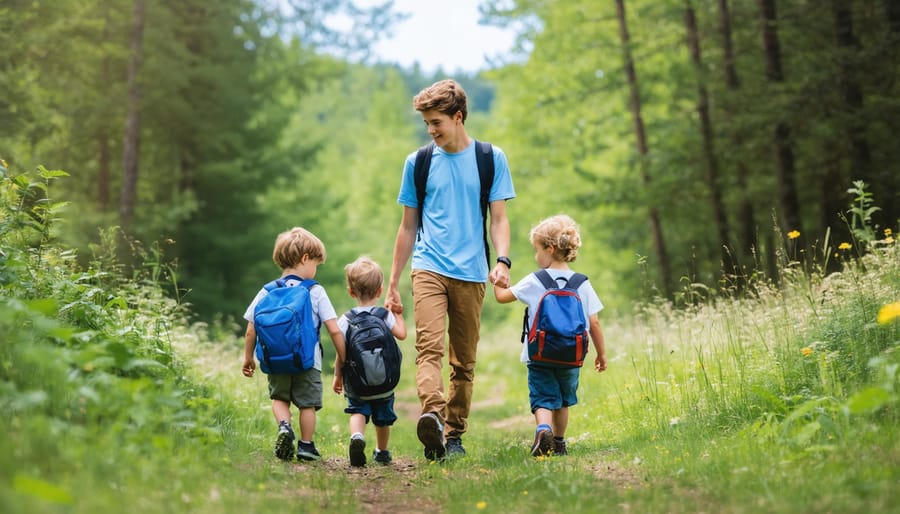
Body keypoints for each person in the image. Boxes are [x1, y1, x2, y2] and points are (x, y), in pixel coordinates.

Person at [385, 79, 516, 461]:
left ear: (458, 117)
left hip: (472, 272)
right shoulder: (419, 162)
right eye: (427, 123)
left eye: (436, 122)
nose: (431, 130)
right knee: (428, 349)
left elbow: (499, 219)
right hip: (428, 267)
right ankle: (433, 416)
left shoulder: (490, 158)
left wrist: (503, 260)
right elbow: (408, 226)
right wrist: (393, 280)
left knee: (464, 361)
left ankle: (454, 435)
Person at [492, 214, 607, 457]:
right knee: (563, 401)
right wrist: (601, 354)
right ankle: (559, 442)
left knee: (543, 398)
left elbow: (501, 298)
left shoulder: (536, 280)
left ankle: (542, 428)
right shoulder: (581, 283)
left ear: (550, 248)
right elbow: (594, 322)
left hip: (540, 354)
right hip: (570, 355)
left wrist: (497, 279)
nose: (536, 256)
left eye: (537, 250)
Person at [241, 227, 346, 462]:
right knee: (307, 405)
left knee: (279, 400)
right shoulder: (315, 291)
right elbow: (334, 330)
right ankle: (306, 446)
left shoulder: (266, 291)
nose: (315, 269)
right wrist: (344, 358)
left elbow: (251, 329)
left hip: (275, 361)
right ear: (305, 258)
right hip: (308, 361)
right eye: (316, 263)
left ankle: (284, 427)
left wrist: (248, 358)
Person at [333, 256, 407, 467]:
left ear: (351, 291)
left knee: (357, 410)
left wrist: (338, 376)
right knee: (382, 418)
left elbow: (342, 352)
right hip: (384, 383)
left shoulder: (345, 319)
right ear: (379, 290)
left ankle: (357, 436)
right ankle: (382, 452)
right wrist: (398, 314)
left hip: (357, 384)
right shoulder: (384, 316)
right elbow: (401, 334)